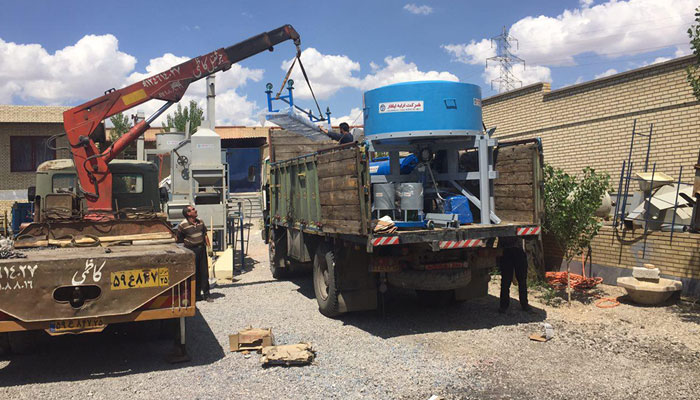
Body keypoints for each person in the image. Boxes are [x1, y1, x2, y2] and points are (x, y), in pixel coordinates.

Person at [177, 205, 213, 302]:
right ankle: (196, 295)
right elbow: (179, 239)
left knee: (204, 272)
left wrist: (209, 247)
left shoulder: (200, 222)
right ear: (188, 213)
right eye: (193, 210)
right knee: (194, 273)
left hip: (201, 249)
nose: (195, 210)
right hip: (192, 251)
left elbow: (205, 235)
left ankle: (206, 294)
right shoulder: (183, 225)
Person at [498, 237, 531, 313]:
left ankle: (504, 306)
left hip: (510, 252)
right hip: (512, 251)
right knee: (515, 281)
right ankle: (523, 305)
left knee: (509, 281)